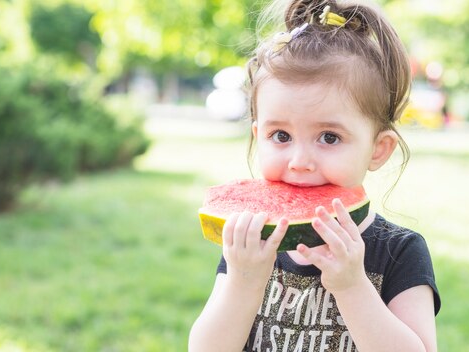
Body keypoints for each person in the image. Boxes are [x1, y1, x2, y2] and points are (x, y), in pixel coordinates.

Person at [188, 1, 441, 351]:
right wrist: (243, 283)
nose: (299, 161)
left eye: (329, 137)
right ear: (256, 135)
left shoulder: (399, 252)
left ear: (378, 149)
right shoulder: (252, 241)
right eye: (281, 136)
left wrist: (353, 287)